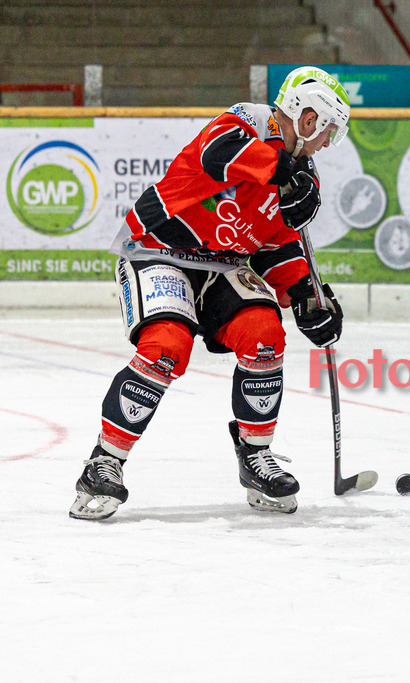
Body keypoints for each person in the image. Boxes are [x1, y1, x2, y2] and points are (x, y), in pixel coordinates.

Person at [69, 67, 350, 520]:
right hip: (158, 248)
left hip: (225, 264)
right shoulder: (247, 121)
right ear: (309, 116)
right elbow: (216, 155)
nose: (326, 143)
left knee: (264, 335)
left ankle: (256, 456)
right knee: (166, 346)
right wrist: (281, 170)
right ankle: (104, 463)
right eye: (328, 131)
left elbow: (276, 244)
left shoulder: (303, 176)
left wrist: (303, 293)